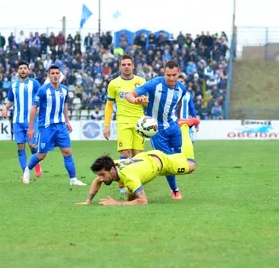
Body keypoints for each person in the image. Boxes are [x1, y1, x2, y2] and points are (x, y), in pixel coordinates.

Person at [77, 118, 199, 206]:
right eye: (99, 175)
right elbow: (97, 181)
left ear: (112, 170)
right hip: (145, 159)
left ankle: (184, 127)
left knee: (191, 165)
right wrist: (88, 200)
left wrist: (116, 203)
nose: (101, 178)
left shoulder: (128, 176)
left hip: (161, 162)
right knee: (130, 198)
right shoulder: (110, 166)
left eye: (102, 175)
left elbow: (143, 201)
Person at [125, 61, 192, 200]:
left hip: (173, 126)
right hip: (157, 130)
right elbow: (129, 94)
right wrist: (135, 100)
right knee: (168, 162)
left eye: (174, 75)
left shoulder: (182, 88)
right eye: (168, 75)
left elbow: (177, 103)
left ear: (179, 73)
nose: (172, 78)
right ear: (164, 73)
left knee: (179, 158)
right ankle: (175, 190)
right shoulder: (154, 84)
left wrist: (178, 118)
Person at [22, 65, 86, 186]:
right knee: (41, 154)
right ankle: (28, 169)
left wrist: (67, 121)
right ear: (49, 75)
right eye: (53, 73)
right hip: (47, 127)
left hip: (61, 126)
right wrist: (31, 128)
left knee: (67, 151)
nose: (55, 75)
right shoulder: (43, 90)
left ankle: (73, 179)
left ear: (60, 75)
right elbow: (34, 108)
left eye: (57, 73)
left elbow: (65, 104)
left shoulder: (65, 89)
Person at [103, 55, 146, 193]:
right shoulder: (114, 84)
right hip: (123, 122)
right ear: (120, 66)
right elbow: (109, 105)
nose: (126, 66)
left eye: (129, 64)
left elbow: (147, 101)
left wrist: (142, 100)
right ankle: (122, 183)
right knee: (125, 153)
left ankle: (135, 182)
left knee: (138, 155)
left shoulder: (141, 81)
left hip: (139, 122)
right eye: (124, 64)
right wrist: (106, 125)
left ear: (133, 66)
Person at [1, 61, 42, 178]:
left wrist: (40, 107)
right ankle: (25, 172)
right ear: (17, 71)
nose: (23, 70)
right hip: (17, 121)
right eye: (20, 68)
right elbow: (10, 101)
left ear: (28, 70)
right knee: (20, 146)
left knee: (32, 145)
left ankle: (36, 164)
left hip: (31, 120)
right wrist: (5, 108)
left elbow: (42, 98)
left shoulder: (35, 83)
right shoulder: (13, 85)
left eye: (25, 68)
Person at [177, 74, 198, 142]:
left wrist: (196, 125)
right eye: (178, 81)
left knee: (190, 142)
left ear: (184, 82)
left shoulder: (188, 94)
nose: (180, 83)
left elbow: (192, 109)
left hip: (186, 123)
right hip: (175, 123)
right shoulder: (171, 93)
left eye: (182, 81)